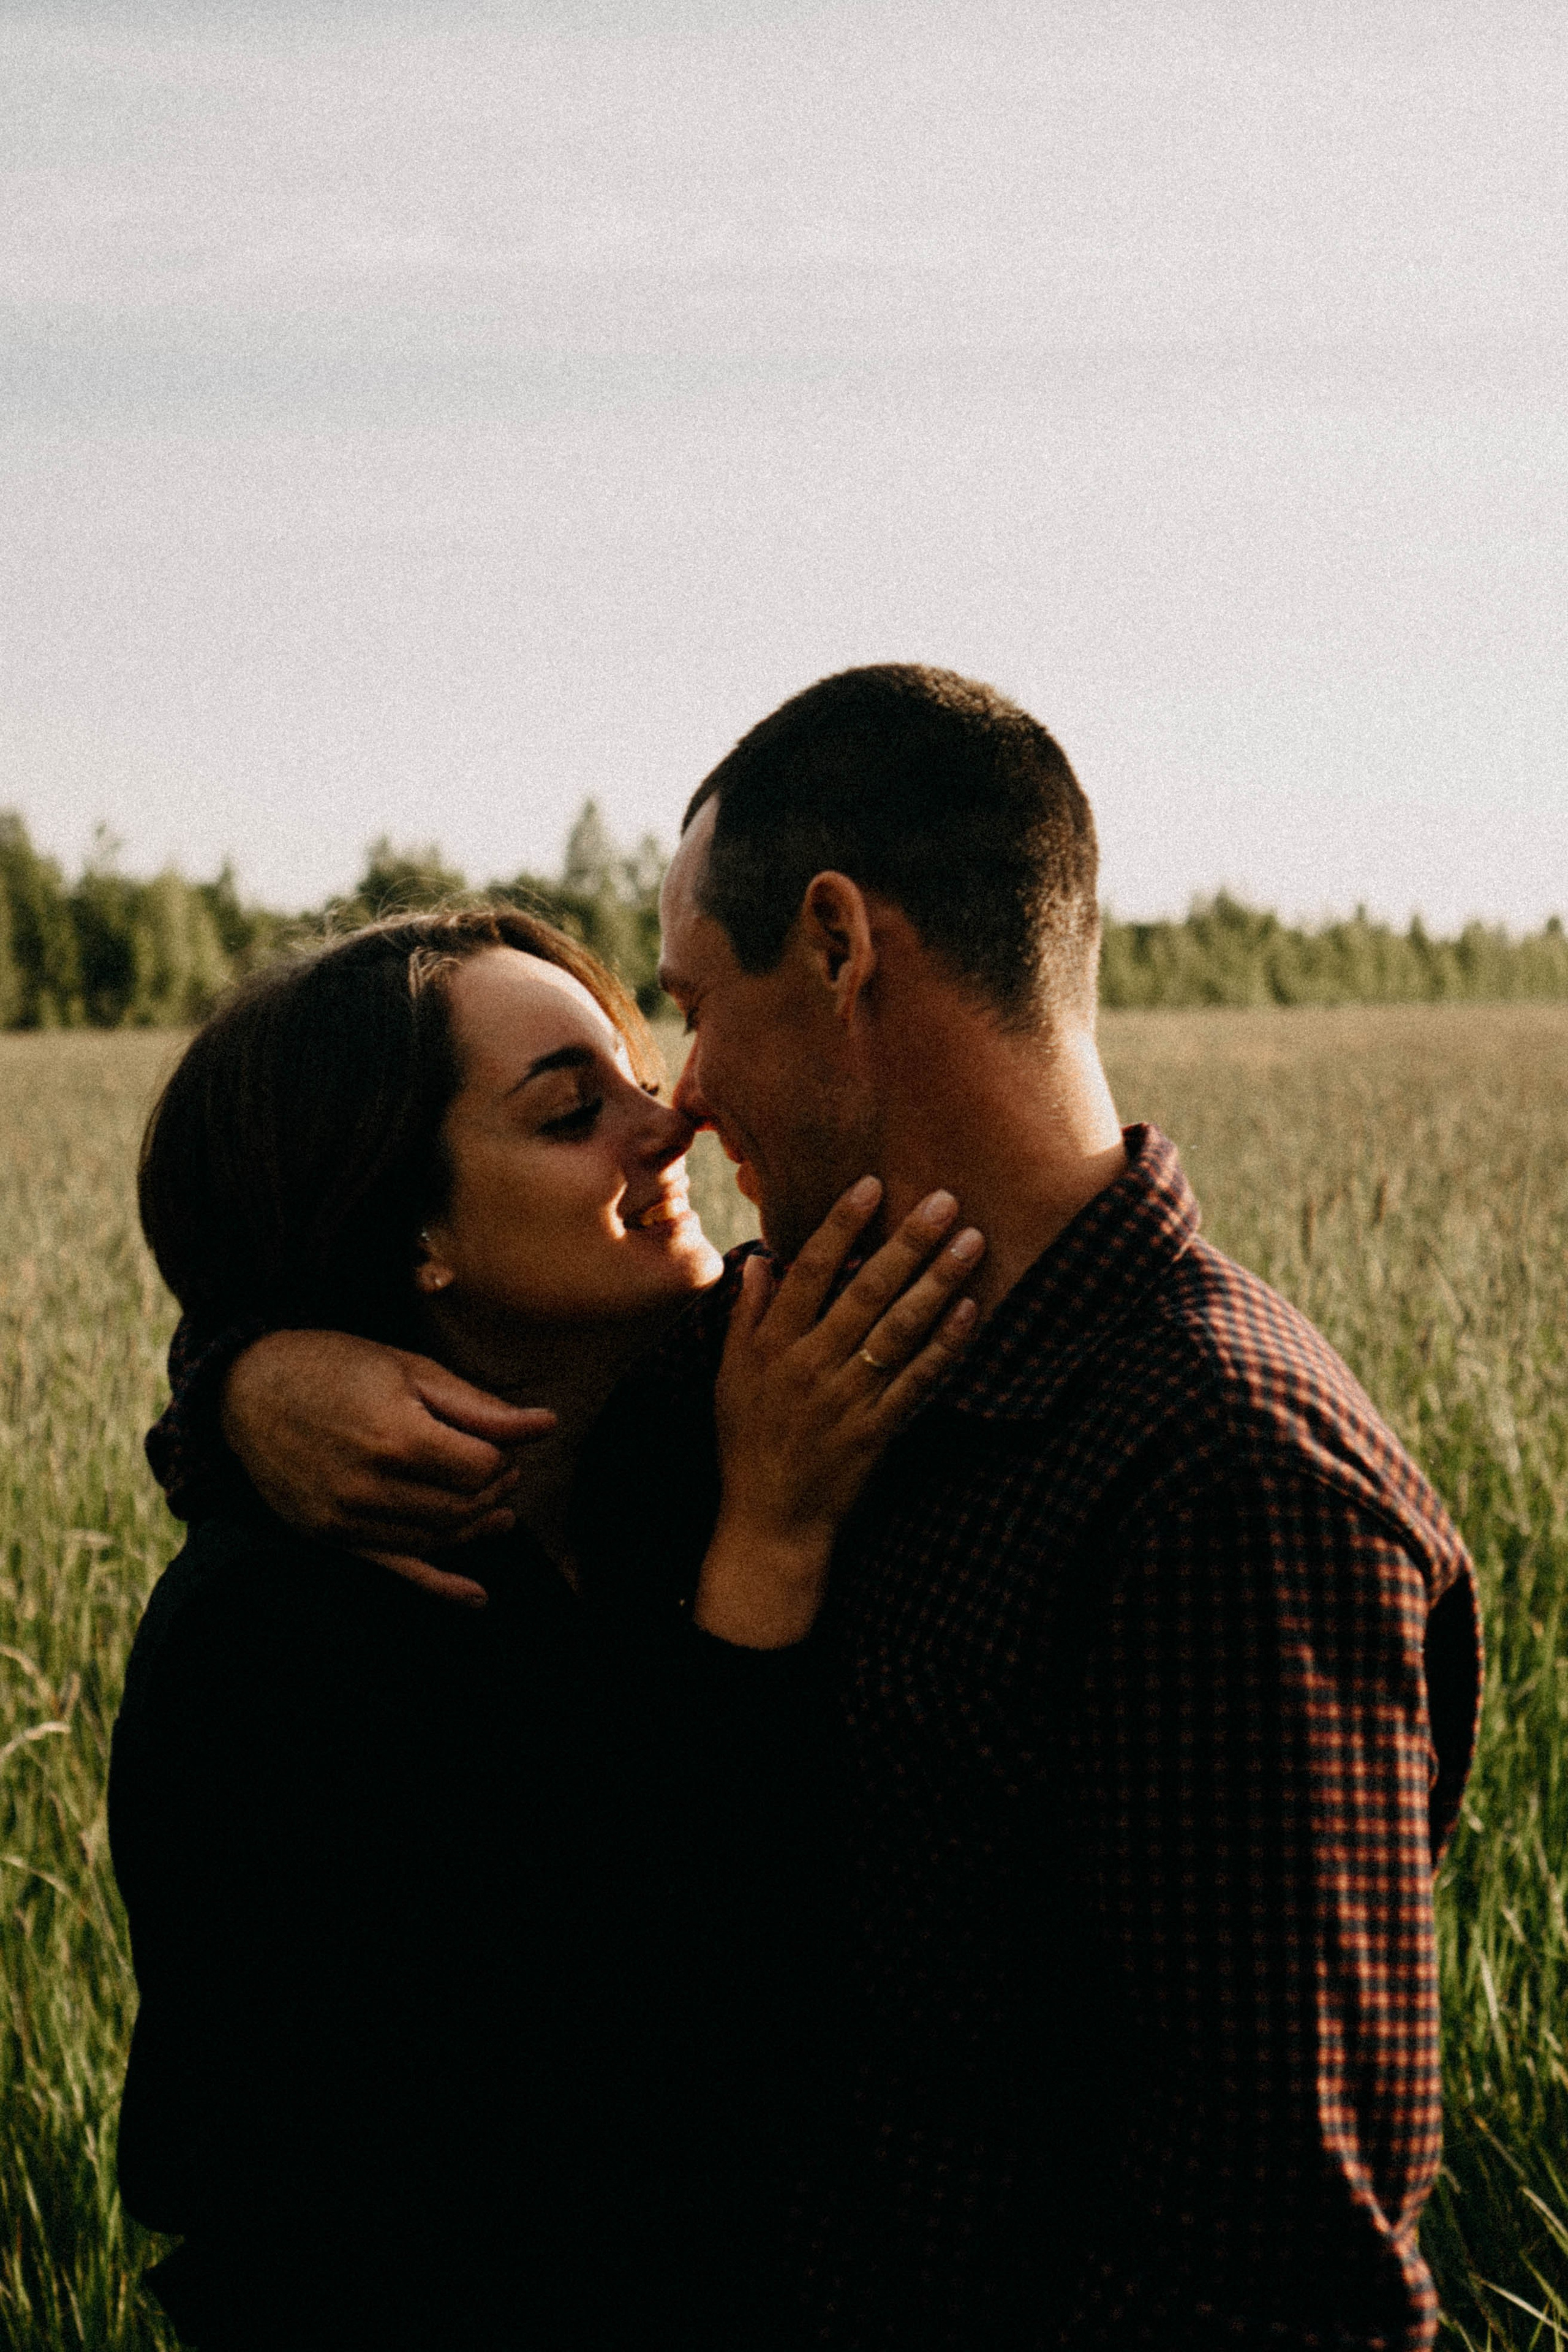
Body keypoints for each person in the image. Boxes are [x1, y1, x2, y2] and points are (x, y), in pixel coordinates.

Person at [151, 667, 1483, 2351]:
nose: (682, 1101)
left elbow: (1274, 2269)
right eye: (595, 1094)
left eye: (690, 1012)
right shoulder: (783, 1366)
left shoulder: (1226, 1475)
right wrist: (250, 1373)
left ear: (842, 948)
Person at [113, 902, 982, 2351]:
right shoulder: (277, 1644)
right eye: (576, 1111)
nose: (673, 1125)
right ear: (414, 1239)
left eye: (641, 1074)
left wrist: (233, 1378)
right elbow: (637, 2066)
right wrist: (766, 1554)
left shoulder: (698, 1424)